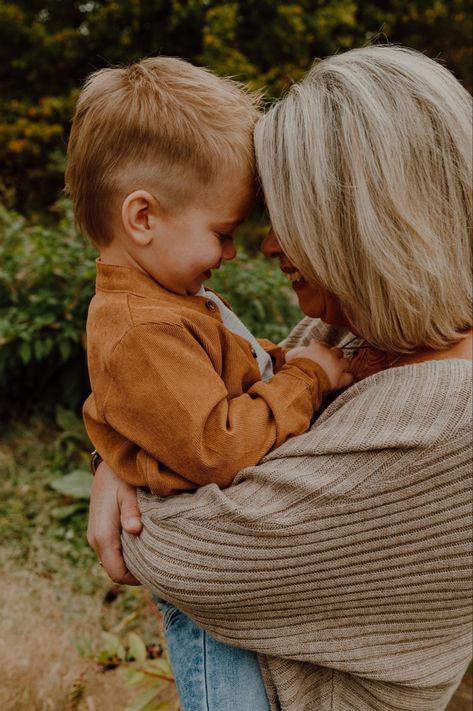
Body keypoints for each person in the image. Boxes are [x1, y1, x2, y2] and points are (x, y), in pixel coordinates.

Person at [87, 46, 473, 711]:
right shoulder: (352, 334)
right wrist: (119, 454)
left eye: (290, 215)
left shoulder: (442, 419)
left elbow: (189, 558)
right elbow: (219, 403)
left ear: (366, 221)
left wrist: (130, 464)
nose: (265, 246)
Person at [67, 56, 351, 710]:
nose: (228, 253)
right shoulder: (142, 327)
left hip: (220, 565)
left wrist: (303, 368)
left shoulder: (170, 301)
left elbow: (238, 374)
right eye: (221, 232)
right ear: (143, 217)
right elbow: (217, 443)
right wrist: (309, 376)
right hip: (204, 591)